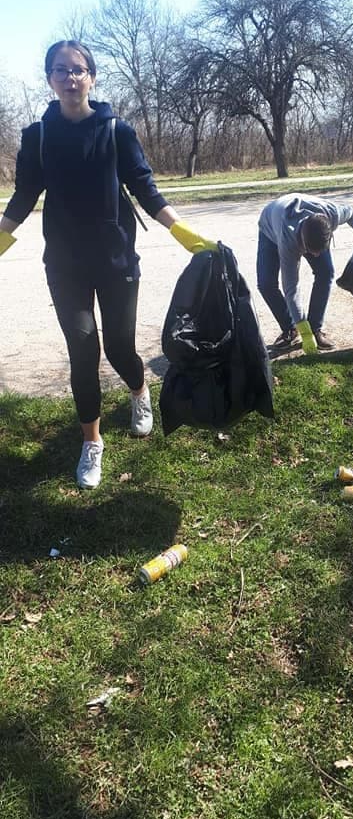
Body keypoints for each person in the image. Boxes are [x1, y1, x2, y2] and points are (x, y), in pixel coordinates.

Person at [0, 39, 216, 490]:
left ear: (92, 77)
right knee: (83, 350)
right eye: (60, 70)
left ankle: (140, 393)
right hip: (64, 264)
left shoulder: (117, 130)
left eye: (78, 70)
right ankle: (92, 443)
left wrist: (182, 232)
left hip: (116, 260)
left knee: (119, 349)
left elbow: (144, 187)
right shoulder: (37, 138)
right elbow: (23, 196)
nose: (70, 78)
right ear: (50, 80)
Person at [256, 193, 353, 353]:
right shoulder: (288, 242)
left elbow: (351, 213)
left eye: (320, 250)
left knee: (326, 273)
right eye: (311, 251)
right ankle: (291, 329)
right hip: (271, 226)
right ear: (303, 243)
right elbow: (291, 288)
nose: (316, 256)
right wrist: (303, 330)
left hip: (310, 226)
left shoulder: (331, 214)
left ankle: (316, 328)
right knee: (266, 284)